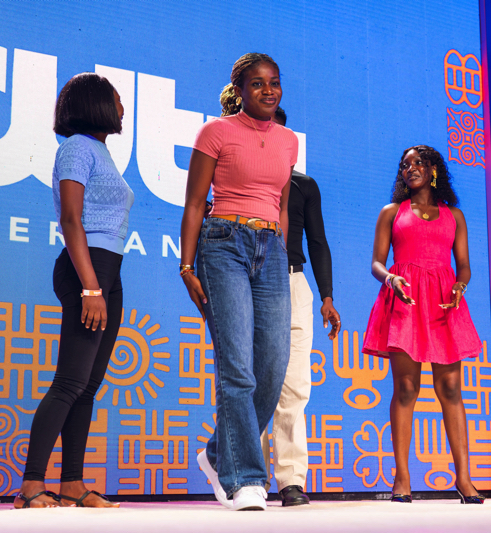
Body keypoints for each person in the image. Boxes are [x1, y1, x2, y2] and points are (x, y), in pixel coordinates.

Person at [180, 53, 298, 511]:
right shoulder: (215, 132)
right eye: (258, 83)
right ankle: (245, 479)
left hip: (271, 249)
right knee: (237, 368)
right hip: (223, 243)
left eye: (275, 82)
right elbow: (195, 203)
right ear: (239, 90)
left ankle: (215, 455)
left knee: (272, 365)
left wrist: (280, 251)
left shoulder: (288, 140)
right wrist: (186, 266)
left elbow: (281, 205)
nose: (268, 90)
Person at [14, 73, 132, 509]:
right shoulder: (77, 148)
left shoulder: (99, 151)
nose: (122, 109)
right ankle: (30, 487)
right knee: (69, 382)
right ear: (95, 103)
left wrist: (102, 285)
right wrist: (90, 288)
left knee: (87, 386)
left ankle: (72, 485)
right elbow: (70, 219)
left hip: (108, 271)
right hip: (88, 272)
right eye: (117, 100)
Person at [362, 145, 486, 504]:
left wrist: (460, 286)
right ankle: (402, 480)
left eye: (418, 162)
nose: (410, 168)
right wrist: (391, 280)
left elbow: (463, 265)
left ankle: (464, 480)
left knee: (450, 388)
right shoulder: (391, 212)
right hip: (405, 300)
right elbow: (377, 263)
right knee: (405, 388)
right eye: (405, 165)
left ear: (433, 169)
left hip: (445, 303)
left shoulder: (454, 215)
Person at [259, 107, 341, 507]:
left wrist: (327, 297)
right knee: (250, 382)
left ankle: (291, 479)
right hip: (251, 282)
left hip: (293, 284)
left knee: (294, 385)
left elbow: (318, 241)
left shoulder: (304, 185)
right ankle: (248, 476)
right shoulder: (238, 178)